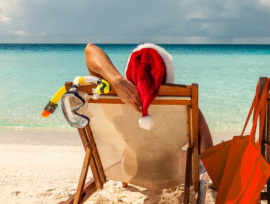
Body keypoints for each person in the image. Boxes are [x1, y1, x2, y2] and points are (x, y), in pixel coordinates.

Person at [84, 43, 213, 152]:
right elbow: (207, 157)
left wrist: (117, 81)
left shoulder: (117, 107)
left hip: (130, 173)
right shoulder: (185, 112)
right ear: (168, 75)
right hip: (172, 174)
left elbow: (90, 49)